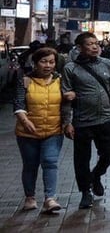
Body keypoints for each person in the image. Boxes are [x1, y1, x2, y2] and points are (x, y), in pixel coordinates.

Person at [62, 32, 110, 209]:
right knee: (82, 159)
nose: (94, 47)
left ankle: (96, 175)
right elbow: (66, 98)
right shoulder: (71, 68)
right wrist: (67, 122)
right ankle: (85, 191)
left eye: (96, 43)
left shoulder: (107, 64)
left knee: (108, 154)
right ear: (79, 48)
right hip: (82, 121)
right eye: (89, 44)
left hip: (106, 119)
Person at [14, 46, 67, 213]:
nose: (48, 65)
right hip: (27, 132)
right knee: (30, 165)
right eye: (44, 61)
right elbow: (18, 102)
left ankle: (50, 199)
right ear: (35, 63)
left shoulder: (61, 80)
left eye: (51, 62)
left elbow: (66, 104)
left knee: (50, 162)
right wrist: (24, 120)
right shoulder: (25, 80)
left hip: (53, 130)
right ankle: (30, 198)